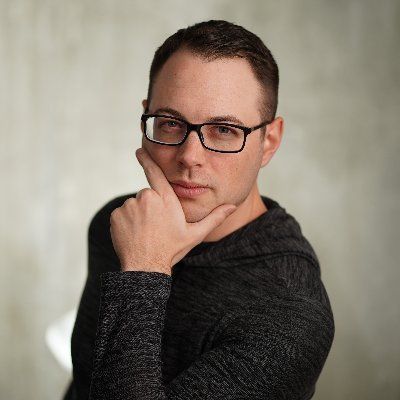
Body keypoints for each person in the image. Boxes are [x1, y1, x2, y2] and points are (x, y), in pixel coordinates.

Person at [62, 19, 335, 400]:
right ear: (145, 120)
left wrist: (143, 269)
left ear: (269, 141)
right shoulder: (120, 225)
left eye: (224, 130)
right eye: (171, 123)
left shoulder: (290, 313)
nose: (190, 156)